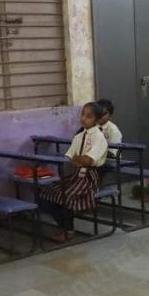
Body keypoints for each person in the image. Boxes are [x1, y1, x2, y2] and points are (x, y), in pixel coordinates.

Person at [39, 102, 108, 242]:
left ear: (96, 119)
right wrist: (79, 159)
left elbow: (88, 160)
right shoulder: (79, 137)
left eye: (89, 116)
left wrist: (79, 159)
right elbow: (70, 158)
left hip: (90, 178)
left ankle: (68, 230)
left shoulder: (99, 137)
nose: (83, 118)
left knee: (67, 196)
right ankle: (64, 225)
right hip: (76, 175)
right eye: (83, 114)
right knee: (45, 193)